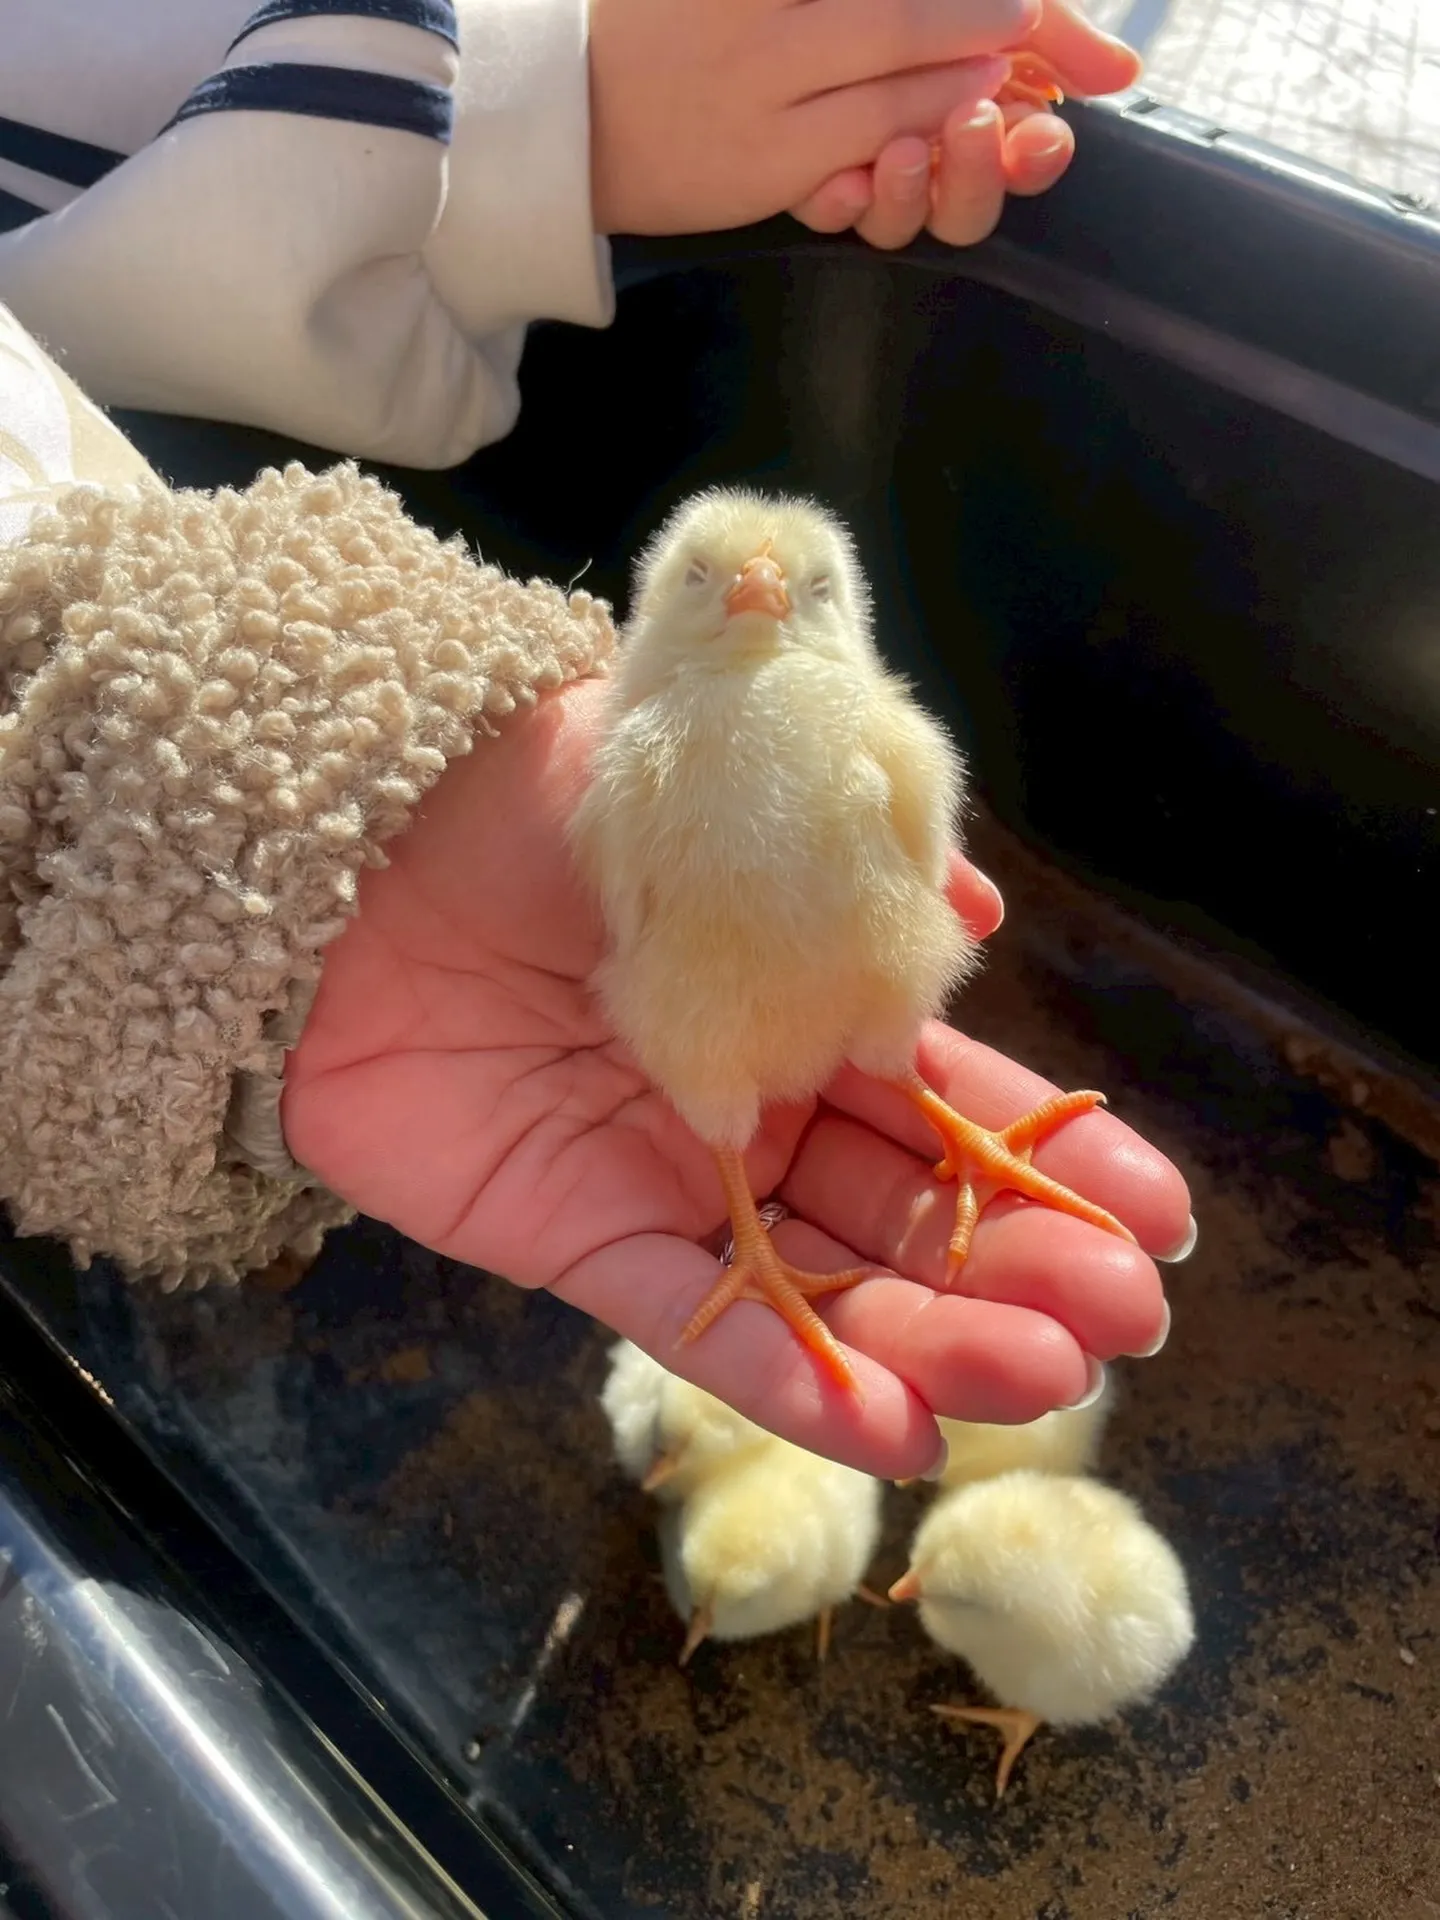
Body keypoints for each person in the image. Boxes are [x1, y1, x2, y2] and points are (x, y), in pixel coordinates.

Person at [0, 1, 1190, 1484]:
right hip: (251, 281)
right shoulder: (654, 758)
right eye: (719, 584)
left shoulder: (864, 741)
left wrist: (534, 100)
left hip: (361, 193)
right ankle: (758, 1231)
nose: (756, 598)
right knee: (731, 1112)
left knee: (889, 1063)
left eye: (794, 591)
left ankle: (950, 1133)